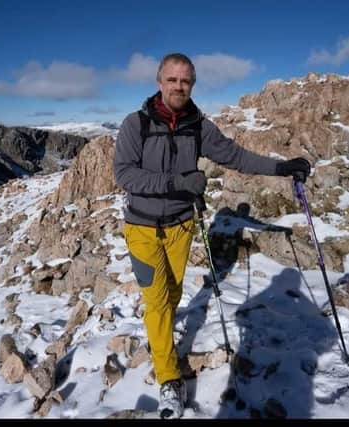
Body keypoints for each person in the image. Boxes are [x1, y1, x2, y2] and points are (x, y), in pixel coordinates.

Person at [113, 52, 311, 419]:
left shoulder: (197, 126)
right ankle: (169, 376)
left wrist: (282, 168)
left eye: (185, 81)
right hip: (141, 228)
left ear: (192, 84)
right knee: (156, 301)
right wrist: (176, 182)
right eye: (171, 79)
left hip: (181, 226)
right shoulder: (134, 125)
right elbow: (124, 175)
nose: (178, 86)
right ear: (159, 82)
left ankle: (160, 338)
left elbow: (235, 156)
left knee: (172, 293)